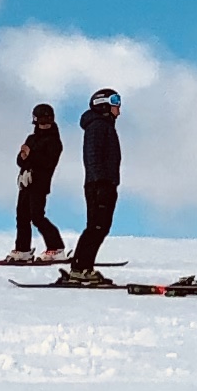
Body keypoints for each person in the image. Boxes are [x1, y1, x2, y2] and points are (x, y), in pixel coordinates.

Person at [67, 87, 122, 275]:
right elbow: (93, 155)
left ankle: (82, 268)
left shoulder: (103, 126)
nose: (119, 110)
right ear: (104, 104)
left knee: (99, 227)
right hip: (100, 184)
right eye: (116, 103)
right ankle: (81, 268)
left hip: (103, 182)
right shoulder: (98, 126)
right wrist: (101, 183)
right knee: (97, 227)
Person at [11, 100, 63, 261]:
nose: (44, 124)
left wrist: (30, 155)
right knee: (22, 216)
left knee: (37, 216)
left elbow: (48, 162)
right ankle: (22, 249)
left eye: (47, 120)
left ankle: (56, 247)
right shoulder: (31, 138)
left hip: (40, 183)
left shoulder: (54, 141)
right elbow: (21, 160)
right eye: (41, 120)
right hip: (26, 183)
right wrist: (24, 157)